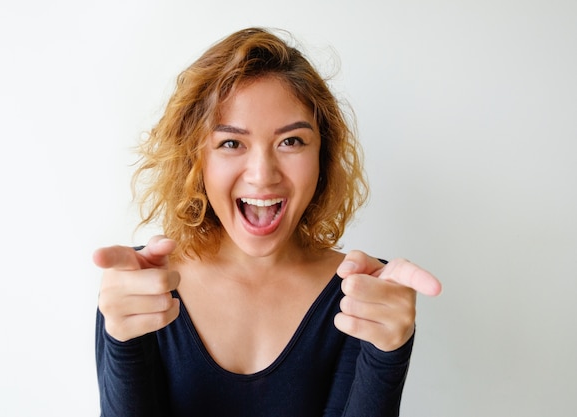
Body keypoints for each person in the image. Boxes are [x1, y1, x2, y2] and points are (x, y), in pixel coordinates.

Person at [93, 27, 442, 417]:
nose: (262, 174)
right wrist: (122, 343)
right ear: (195, 159)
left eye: (290, 141)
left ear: (322, 157)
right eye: (231, 143)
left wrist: (387, 355)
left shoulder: (367, 295)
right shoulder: (140, 289)